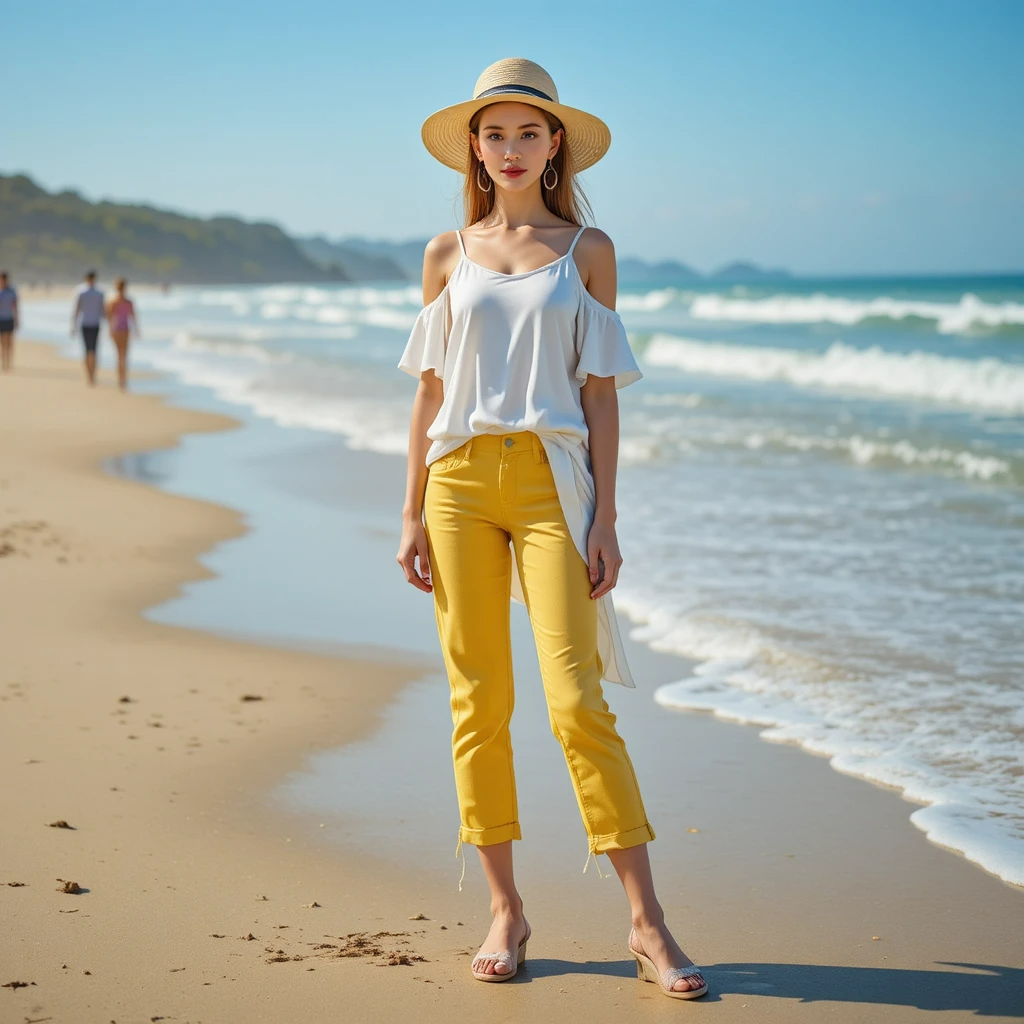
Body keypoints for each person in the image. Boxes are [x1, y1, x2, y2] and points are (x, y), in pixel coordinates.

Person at [395, 58, 708, 1000]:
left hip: (552, 487)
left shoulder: (589, 250)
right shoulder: (446, 252)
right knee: (477, 702)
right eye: (495, 134)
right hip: (456, 485)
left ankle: (647, 923)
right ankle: (505, 911)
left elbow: (601, 394)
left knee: (577, 705)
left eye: (529, 133)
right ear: (476, 149)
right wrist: (409, 507)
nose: (512, 150)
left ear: (555, 143)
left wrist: (608, 513)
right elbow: (429, 392)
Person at [71, 270, 105, 386]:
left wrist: (73, 324)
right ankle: (91, 376)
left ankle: (90, 376)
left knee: (90, 351)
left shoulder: (83, 291)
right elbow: (103, 311)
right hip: (90, 324)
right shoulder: (97, 292)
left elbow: (77, 309)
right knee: (91, 351)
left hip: (90, 324)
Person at [105, 277, 139, 391]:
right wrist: (136, 330)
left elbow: (109, 317)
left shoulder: (112, 301)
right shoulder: (128, 302)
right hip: (124, 329)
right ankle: (123, 379)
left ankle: (120, 379)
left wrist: (109, 329)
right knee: (123, 356)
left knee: (119, 355)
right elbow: (133, 317)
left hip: (116, 329)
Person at [0, 271, 17, 372]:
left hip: (9, 318)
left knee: (9, 342)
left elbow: (15, 305)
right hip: (0, 319)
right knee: (2, 342)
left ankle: (8, 361)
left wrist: (17, 318)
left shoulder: (12, 291)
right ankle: (4, 361)